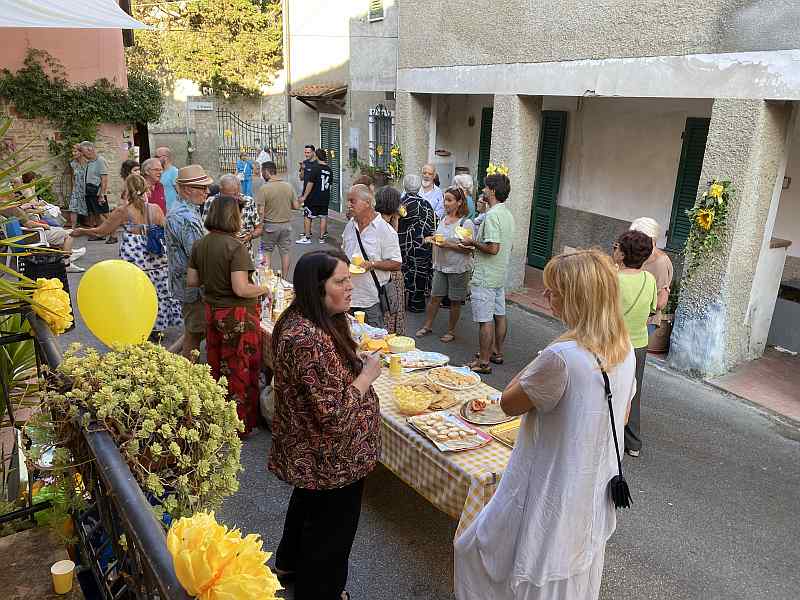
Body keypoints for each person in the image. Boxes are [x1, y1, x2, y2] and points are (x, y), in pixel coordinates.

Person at [454, 249, 636, 600]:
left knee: (493, 554)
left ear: (578, 299)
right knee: (573, 563)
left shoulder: (562, 357)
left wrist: (551, 348)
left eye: (554, 291)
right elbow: (622, 414)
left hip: (549, 484)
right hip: (591, 484)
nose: (546, 295)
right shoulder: (623, 347)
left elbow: (508, 403)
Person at [269, 249, 382, 600]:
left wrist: (351, 363)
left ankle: (288, 564)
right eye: (341, 281)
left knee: (308, 508)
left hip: (317, 455)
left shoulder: (311, 322)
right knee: (332, 533)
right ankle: (321, 592)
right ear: (317, 288)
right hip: (330, 458)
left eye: (350, 279)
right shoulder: (305, 336)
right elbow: (333, 415)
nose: (351, 287)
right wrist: (365, 377)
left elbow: (321, 383)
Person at [187, 196, 268, 436]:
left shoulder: (200, 244)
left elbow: (192, 281)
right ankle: (239, 424)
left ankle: (218, 417)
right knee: (240, 368)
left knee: (217, 365)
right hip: (238, 315)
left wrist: (213, 278)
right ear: (233, 217)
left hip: (213, 312)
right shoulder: (235, 247)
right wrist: (264, 288)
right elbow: (241, 289)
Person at [71, 173, 182, 338]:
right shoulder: (156, 209)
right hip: (157, 258)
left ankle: (140, 324)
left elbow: (102, 231)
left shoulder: (123, 211)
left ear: (127, 191)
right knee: (158, 290)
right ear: (146, 190)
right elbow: (168, 231)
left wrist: (82, 231)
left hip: (135, 257)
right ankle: (158, 327)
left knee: (136, 291)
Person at [461, 173, 515, 374]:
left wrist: (471, 242)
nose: (482, 190)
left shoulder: (492, 216)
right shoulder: (507, 214)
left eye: (484, 188)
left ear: (492, 190)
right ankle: (496, 352)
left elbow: (493, 248)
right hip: (500, 274)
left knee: (485, 320)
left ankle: (483, 362)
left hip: (485, 275)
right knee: (499, 315)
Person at [613, 230, 657, 459]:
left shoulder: (613, 279)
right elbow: (653, 307)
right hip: (639, 343)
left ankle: (610, 439)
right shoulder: (649, 279)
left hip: (614, 343)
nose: (614, 250)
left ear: (623, 254)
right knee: (633, 392)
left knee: (609, 390)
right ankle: (633, 443)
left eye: (616, 247)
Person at [165, 165, 213, 359]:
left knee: (194, 330)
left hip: (188, 284)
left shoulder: (185, 210)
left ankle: (174, 364)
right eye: (202, 188)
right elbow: (199, 256)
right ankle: (187, 374)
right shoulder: (184, 217)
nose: (207, 192)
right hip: (194, 288)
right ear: (186, 189)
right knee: (195, 333)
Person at [416, 187, 474, 342]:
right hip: (440, 266)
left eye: (449, 200)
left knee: (455, 301)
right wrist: (431, 239)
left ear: (459, 202)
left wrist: (447, 244)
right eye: (444, 199)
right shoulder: (442, 218)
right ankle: (427, 326)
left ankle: (451, 331)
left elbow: (468, 249)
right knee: (435, 297)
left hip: (458, 268)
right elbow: (438, 237)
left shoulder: (465, 223)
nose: (445, 203)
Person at [342, 184, 402, 328]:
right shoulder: (350, 226)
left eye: (352, 201)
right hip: (347, 296)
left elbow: (396, 263)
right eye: (348, 201)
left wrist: (372, 264)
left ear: (367, 202)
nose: (348, 205)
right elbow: (343, 253)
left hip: (370, 299)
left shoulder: (384, 230)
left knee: (372, 340)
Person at [629, 217, 674, 338]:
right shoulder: (638, 254)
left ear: (651, 239)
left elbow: (661, 302)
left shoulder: (660, 262)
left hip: (645, 321)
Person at [397, 174, 437, 313]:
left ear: (404, 186)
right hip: (422, 245)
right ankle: (417, 304)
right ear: (419, 187)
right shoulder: (426, 205)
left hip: (404, 246)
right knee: (420, 273)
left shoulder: (401, 204)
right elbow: (432, 226)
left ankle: (400, 303)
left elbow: (395, 226)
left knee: (403, 273)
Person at [203, 174, 262, 259]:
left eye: (237, 193)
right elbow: (205, 231)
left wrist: (250, 236)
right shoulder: (211, 202)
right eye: (232, 195)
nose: (236, 198)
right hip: (220, 256)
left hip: (244, 255)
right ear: (221, 191)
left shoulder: (248, 201)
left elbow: (259, 228)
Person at [374, 186, 407, 334]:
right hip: (389, 276)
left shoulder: (374, 221)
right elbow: (396, 263)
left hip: (374, 274)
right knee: (391, 312)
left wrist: (396, 219)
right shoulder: (385, 228)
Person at [258, 161, 299, 275]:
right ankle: (284, 279)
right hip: (286, 226)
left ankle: (267, 280)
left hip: (270, 226)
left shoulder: (264, 189)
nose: (262, 174)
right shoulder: (288, 186)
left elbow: (261, 211)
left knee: (267, 252)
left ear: (267, 171)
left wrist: (259, 227)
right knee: (285, 253)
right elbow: (296, 206)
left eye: (262, 172)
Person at [296, 146, 329, 244]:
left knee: (308, 215)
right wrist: (302, 169)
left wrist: (305, 196)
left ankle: (308, 236)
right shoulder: (305, 163)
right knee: (317, 215)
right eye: (305, 152)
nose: (306, 154)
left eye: (308, 152)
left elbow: (311, 183)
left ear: (314, 153)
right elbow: (301, 178)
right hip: (311, 193)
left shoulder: (317, 165)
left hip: (313, 195)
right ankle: (309, 233)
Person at [80, 141, 112, 240]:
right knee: (95, 214)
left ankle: (113, 234)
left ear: (90, 150)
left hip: (97, 192)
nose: (82, 154)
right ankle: (99, 234)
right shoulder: (89, 162)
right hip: (89, 192)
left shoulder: (100, 161)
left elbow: (104, 179)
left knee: (106, 215)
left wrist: (102, 194)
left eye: (83, 152)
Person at [67, 144, 88, 229]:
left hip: (87, 189)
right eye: (73, 151)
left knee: (89, 207)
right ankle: (73, 228)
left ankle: (92, 227)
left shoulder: (88, 163)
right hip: (76, 189)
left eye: (75, 151)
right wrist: (73, 189)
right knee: (73, 207)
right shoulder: (73, 164)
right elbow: (72, 177)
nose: (73, 153)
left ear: (81, 152)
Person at [155, 146, 179, 213]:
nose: (155, 159)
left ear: (165, 157)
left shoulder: (174, 172)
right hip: (161, 210)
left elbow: (179, 192)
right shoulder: (159, 172)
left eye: (157, 157)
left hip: (172, 211)